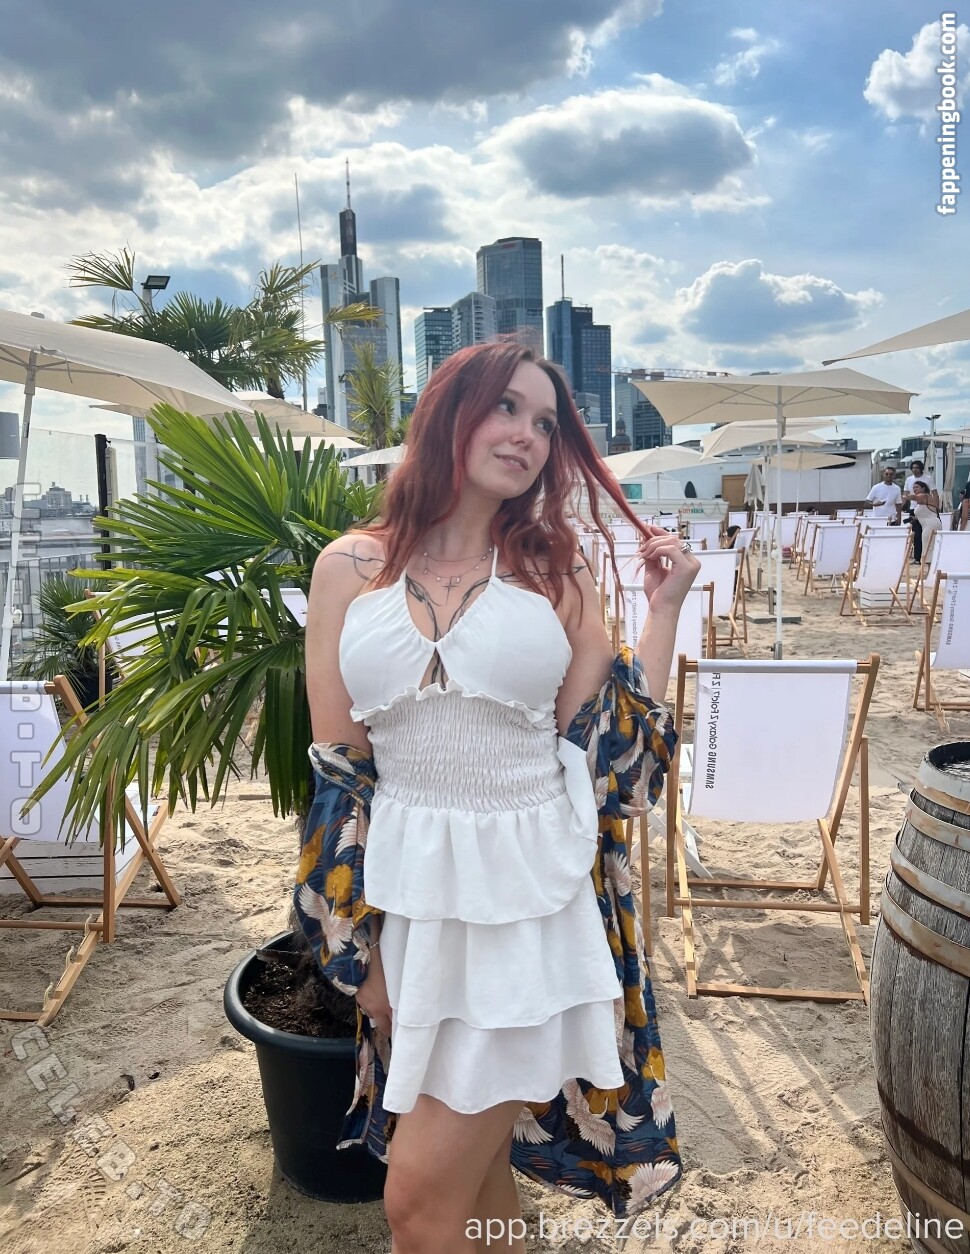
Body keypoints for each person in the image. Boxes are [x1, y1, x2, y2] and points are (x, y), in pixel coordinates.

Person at [298, 341, 698, 1251]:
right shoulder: (346, 568)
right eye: (506, 408)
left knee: (416, 1202)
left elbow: (613, 757)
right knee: (476, 1186)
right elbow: (340, 771)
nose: (526, 435)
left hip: (528, 908)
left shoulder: (553, 571)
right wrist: (356, 942)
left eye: (545, 423)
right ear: (450, 411)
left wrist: (665, 611)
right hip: (409, 902)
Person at [902, 460, 939, 560]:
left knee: (926, 535)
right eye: (913, 468)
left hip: (927, 508)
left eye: (917, 467)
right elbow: (906, 494)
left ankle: (927, 558)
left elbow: (935, 494)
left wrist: (936, 508)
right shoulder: (909, 479)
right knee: (917, 534)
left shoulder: (928, 479)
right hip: (915, 509)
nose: (915, 469)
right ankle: (917, 557)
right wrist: (900, 507)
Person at [911, 480, 942, 573]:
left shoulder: (925, 496)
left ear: (923, 488)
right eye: (913, 488)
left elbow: (912, 497)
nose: (914, 489)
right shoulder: (922, 499)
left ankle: (931, 572)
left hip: (930, 525)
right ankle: (931, 571)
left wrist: (904, 496)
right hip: (928, 524)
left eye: (917, 487)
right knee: (929, 546)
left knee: (929, 547)